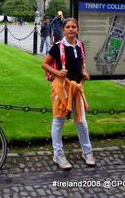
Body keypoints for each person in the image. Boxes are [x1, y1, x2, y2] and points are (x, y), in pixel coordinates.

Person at [41, 18, 95, 170]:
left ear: (77, 29)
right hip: (61, 87)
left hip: (76, 88)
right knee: (59, 121)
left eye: (74, 27)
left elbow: (81, 65)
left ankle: (87, 151)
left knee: (81, 122)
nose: (71, 29)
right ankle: (57, 154)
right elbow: (44, 64)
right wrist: (58, 72)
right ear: (64, 30)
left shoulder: (80, 45)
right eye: (68, 27)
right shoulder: (58, 46)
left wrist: (84, 72)